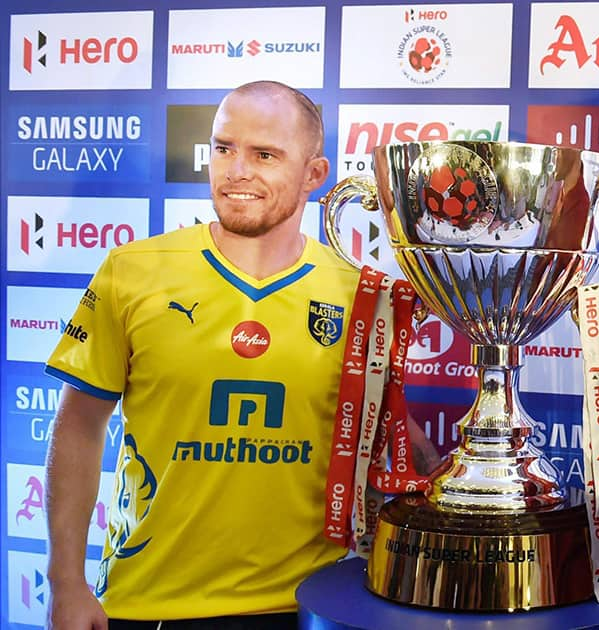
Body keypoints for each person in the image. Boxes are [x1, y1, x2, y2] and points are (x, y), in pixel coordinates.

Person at [43, 81, 439, 630]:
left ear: (314, 175)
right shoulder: (132, 271)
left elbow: (389, 440)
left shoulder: (362, 297)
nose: (237, 171)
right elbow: (78, 428)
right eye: (224, 148)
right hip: (149, 604)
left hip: (308, 606)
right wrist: (65, 582)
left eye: (265, 155)